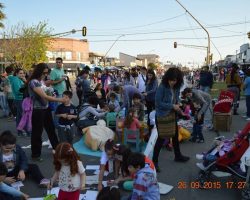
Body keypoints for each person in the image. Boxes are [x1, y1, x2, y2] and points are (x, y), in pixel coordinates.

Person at [153, 68, 190, 172]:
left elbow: (176, 100)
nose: (173, 82)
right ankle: (154, 162)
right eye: (171, 80)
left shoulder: (176, 87)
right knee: (161, 138)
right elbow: (158, 103)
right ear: (167, 78)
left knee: (175, 135)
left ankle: (178, 156)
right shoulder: (162, 87)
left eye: (175, 80)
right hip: (162, 115)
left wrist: (179, 107)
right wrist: (172, 106)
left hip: (172, 115)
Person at [27, 63, 65, 161]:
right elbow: (44, 96)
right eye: (44, 72)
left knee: (51, 129)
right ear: (39, 71)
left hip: (46, 108)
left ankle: (57, 149)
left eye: (47, 73)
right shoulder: (33, 82)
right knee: (37, 132)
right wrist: (60, 100)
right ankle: (35, 154)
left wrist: (52, 92)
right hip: (37, 110)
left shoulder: (41, 81)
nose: (45, 74)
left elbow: (47, 92)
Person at [11, 68, 26, 136]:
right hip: (19, 99)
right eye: (20, 73)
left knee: (19, 116)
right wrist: (26, 93)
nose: (22, 74)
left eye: (23, 73)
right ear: (16, 74)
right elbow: (18, 91)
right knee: (23, 116)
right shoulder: (16, 80)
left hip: (20, 99)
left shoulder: (19, 79)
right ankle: (26, 131)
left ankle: (20, 131)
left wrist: (25, 80)